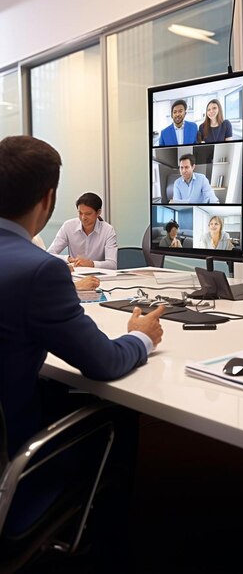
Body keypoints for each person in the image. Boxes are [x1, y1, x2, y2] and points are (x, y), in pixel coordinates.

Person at [0, 135, 165, 457]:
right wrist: (141, 337)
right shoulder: (40, 272)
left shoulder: (99, 235)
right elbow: (104, 362)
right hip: (14, 461)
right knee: (121, 413)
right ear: (48, 200)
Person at [47, 192, 117, 269]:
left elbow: (112, 265)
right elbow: (49, 254)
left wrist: (91, 264)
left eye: (88, 213)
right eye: (80, 213)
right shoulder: (68, 226)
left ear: (98, 212)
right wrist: (68, 259)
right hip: (76, 274)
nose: (83, 217)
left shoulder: (108, 230)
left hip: (99, 276)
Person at [33, 233, 101, 290]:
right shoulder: (30, 240)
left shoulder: (35, 237)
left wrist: (62, 267)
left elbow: (43, 265)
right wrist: (77, 286)